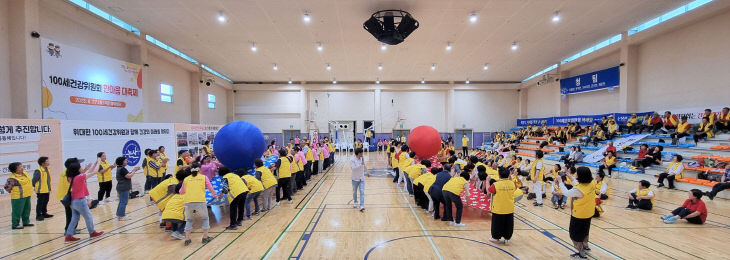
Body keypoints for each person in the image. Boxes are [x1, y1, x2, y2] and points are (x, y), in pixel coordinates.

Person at [556, 166, 595, 259]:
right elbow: (579, 185)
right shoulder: (592, 183)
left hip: (579, 215)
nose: (576, 174)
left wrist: (560, 182)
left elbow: (566, 192)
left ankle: (581, 253)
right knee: (585, 231)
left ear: (580, 176)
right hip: (589, 212)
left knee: (574, 235)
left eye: (577, 173)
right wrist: (570, 177)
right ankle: (586, 246)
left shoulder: (578, 191)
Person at [64, 159, 104, 243]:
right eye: (80, 167)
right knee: (88, 216)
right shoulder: (80, 177)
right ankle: (92, 232)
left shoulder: (70, 177)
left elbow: (87, 173)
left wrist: (92, 165)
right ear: (77, 169)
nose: (81, 167)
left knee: (74, 218)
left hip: (73, 201)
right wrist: (99, 163)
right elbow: (95, 172)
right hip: (80, 201)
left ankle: (68, 235)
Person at [180, 162, 219, 246]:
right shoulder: (203, 177)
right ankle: (205, 237)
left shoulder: (186, 179)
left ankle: (187, 238)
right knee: (205, 218)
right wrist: (215, 195)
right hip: (200, 201)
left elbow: (181, 192)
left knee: (189, 220)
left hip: (188, 202)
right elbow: (210, 188)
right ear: (199, 169)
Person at [486, 167, 518, 244]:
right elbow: (515, 188)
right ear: (508, 174)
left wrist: (487, 181)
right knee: (508, 224)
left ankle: (495, 237)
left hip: (498, 208)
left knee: (497, 224)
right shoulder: (513, 183)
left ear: (499, 175)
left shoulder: (495, 185)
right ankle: (507, 238)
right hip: (509, 208)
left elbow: (488, 194)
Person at [5, 162, 34, 229]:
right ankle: (15, 224)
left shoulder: (24, 173)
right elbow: (7, 187)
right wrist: (15, 192)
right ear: (16, 169)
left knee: (26, 210)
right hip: (18, 197)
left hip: (27, 195)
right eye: (20, 167)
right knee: (17, 211)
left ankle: (26, 222)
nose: (22, 168)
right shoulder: (12, 178)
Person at [115, 157, 141, 221]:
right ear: (122, 162)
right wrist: (134, 170)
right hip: (123, 187)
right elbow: (129, 176)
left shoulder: (120, 168)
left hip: (121, 187)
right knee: (124, 202)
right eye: (125, 160)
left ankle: (119, 214)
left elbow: (127, 174)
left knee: (121, 201)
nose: (126, 161)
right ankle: (121, 216)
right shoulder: (122, 169)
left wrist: (133, 170)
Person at [32, 157, 54, 221]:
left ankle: (44, 213)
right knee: (40, 203)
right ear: (43, 163)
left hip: (46, 189)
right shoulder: (38, 170)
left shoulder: (47, 169)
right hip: (41, 190)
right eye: (47, 161)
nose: (48, 162)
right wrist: (36, 187)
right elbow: (33, 181)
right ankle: (38, 215)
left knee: (45, 202)